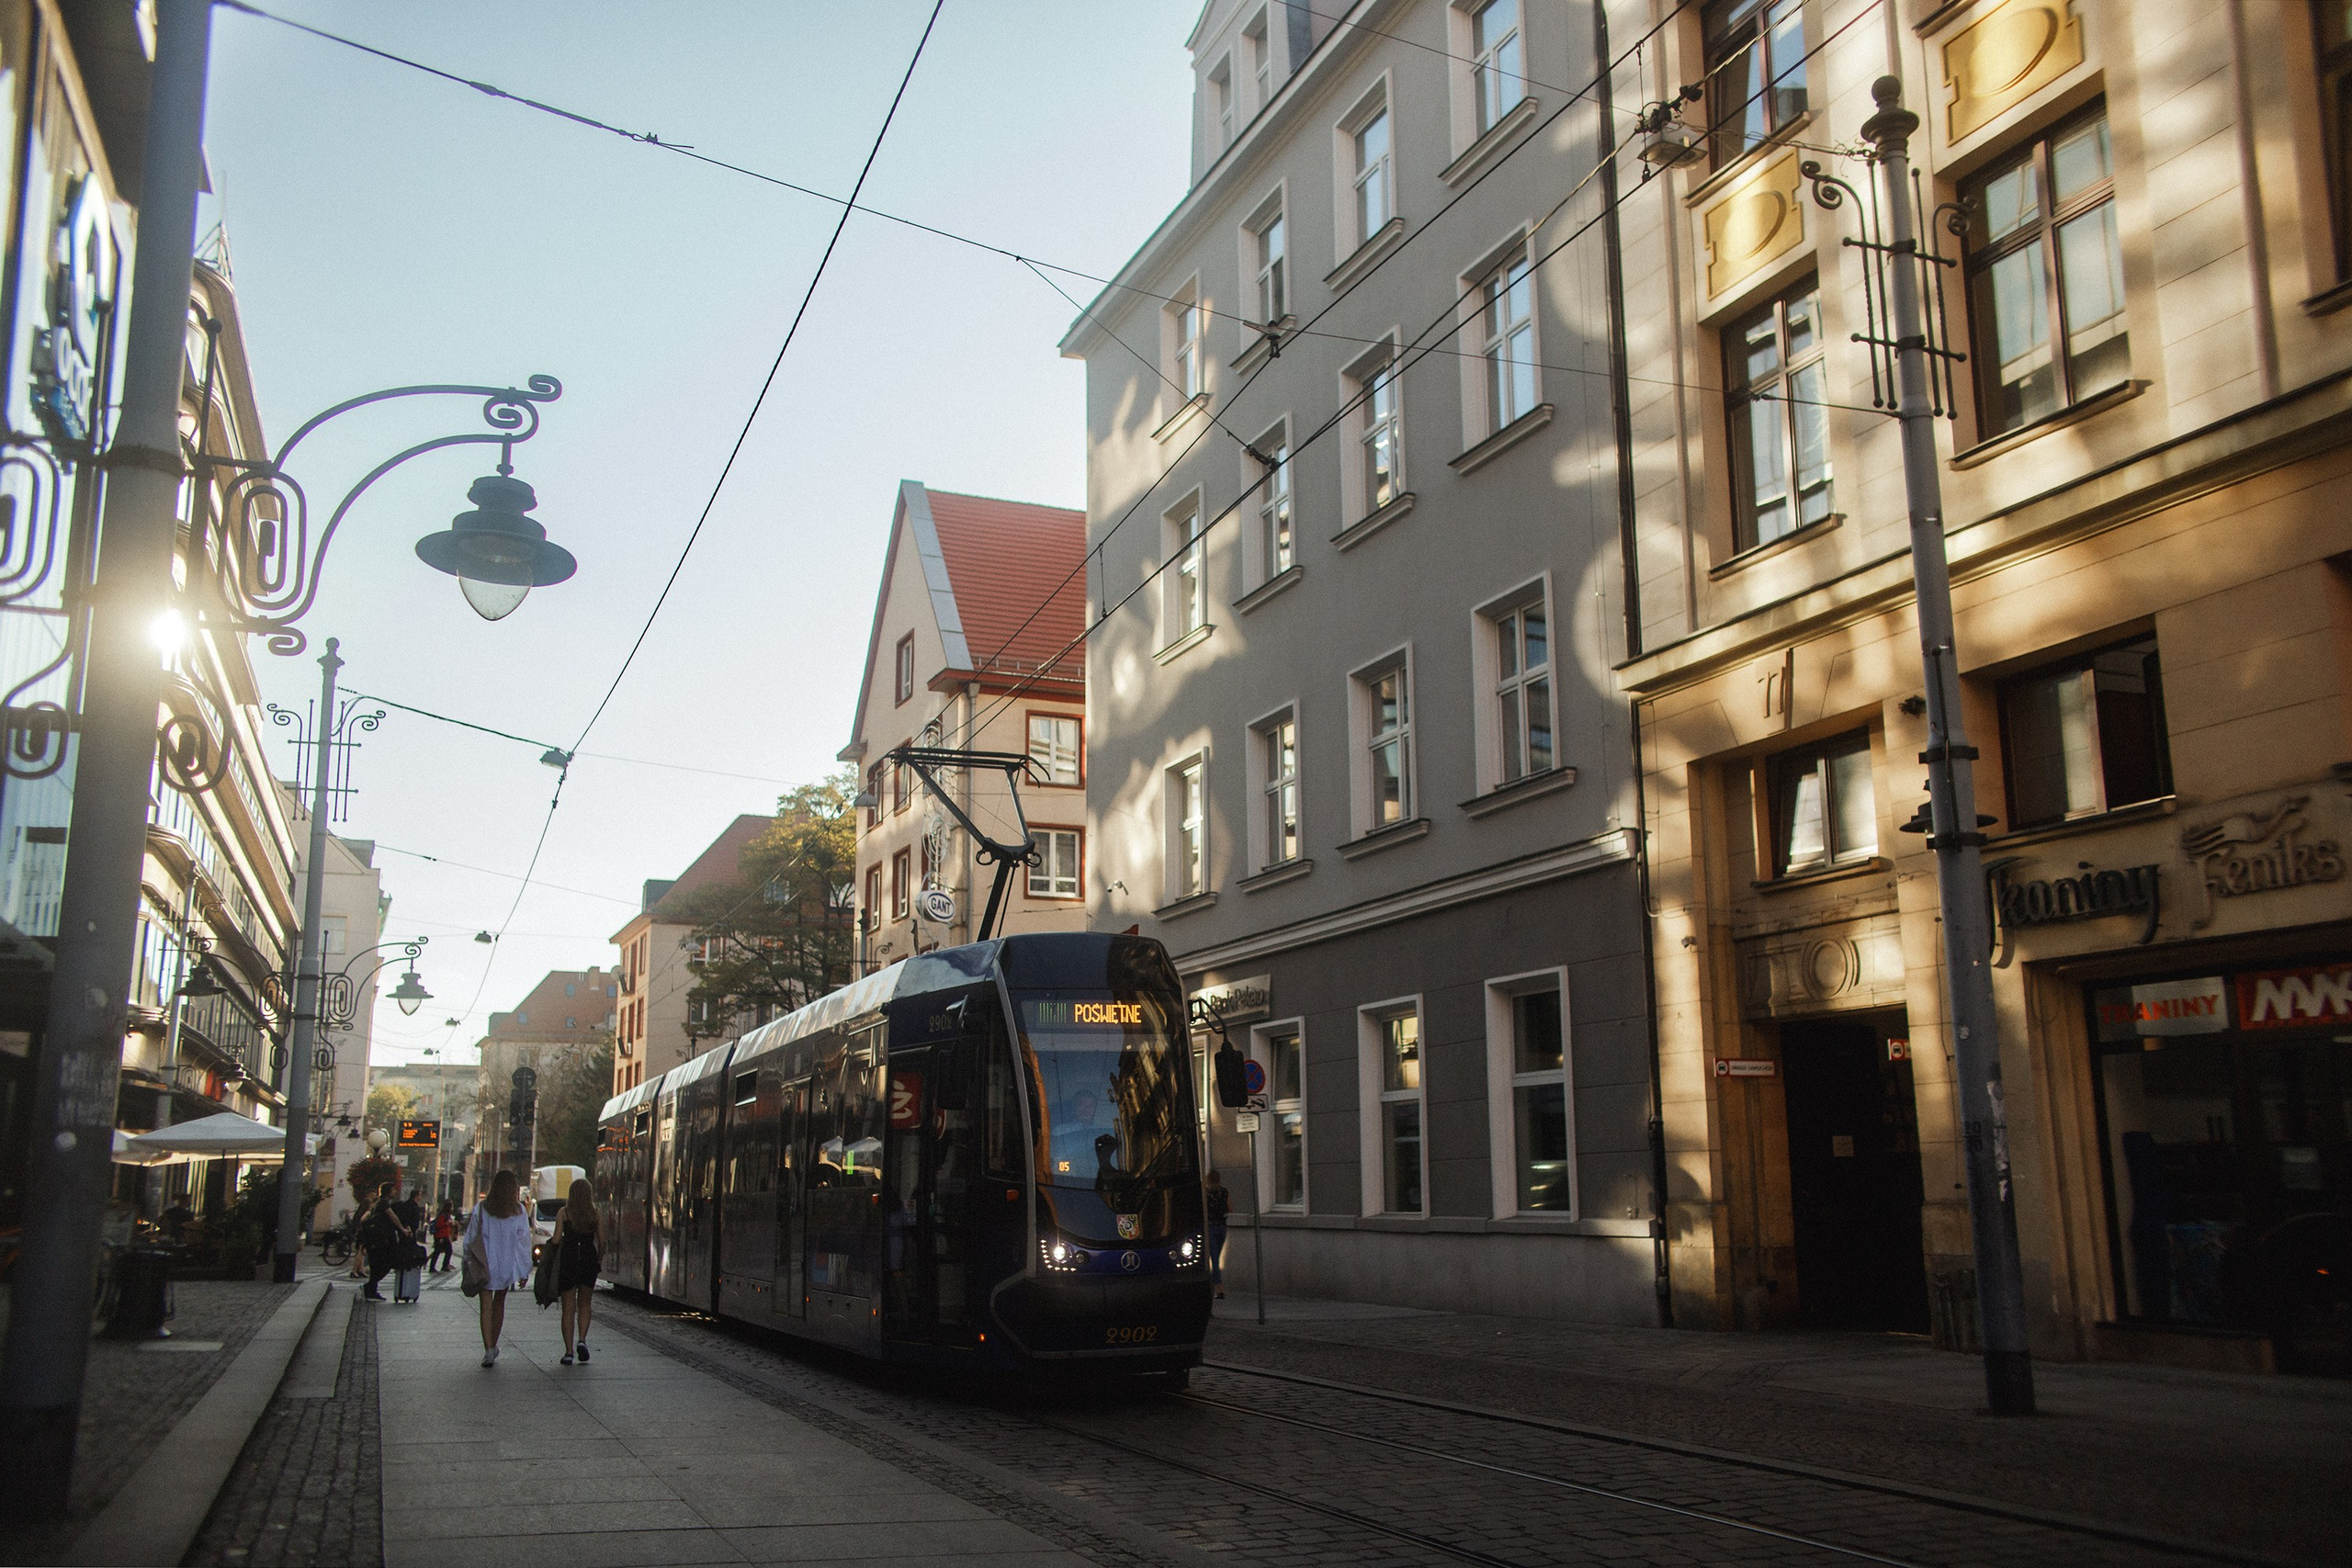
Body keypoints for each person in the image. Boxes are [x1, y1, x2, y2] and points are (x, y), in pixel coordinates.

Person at [461, 1169, 534, 1367]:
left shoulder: (482, 1208)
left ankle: (488, 1349)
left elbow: (470, 1238)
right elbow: (523, 1242)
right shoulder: (518, 1211)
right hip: (505, 1265)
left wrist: (467, 1260)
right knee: (499, 1303)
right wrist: (523, 1269)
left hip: (485, 1264)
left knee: (485, 1306)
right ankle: (494, 1343)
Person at [553, 1179, 602, 1366]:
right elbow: (603, 1240)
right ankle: (582, 1340)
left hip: (569, 1259)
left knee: (568, 1307)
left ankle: (568, 1351)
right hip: (588, 1259)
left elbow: (557, 1239)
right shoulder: (595, 1214)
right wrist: (600, 1257)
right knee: (585, 1304)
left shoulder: (564, 1213)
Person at [358, 1187, 396, 1302]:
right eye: (393, 1190)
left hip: (375, 1239)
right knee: (385, 1265)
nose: (395, 1191)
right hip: (379, 1239)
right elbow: (393, 1217)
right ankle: (370, 1288)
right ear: (388, 1192)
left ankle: (371, 1290)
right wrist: (402, 1229)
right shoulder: (384, 1203)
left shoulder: (376, 1203)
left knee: (376, 1266)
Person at [390, 1186, 426, 1303]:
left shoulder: (411, 1205)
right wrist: (407, 1227)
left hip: (409, 1231)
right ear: (416, 1196)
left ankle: (406, 1265)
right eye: (420, 1195)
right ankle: (406, 1265)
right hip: (408, 1232)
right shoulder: (410, 1205)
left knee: (408, 1250)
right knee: (407, 1250)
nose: (421, 1197)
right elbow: (406, 1218)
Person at [1204, 1168, 1230, 1300]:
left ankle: (1219, 1289)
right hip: (1222, 1227)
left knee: (1214, 1259)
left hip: (1210, 1227)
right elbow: (1230, 1208)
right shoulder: (1224, 1192)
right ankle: (1214, 1288)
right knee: (1216, 1257)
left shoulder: (1206, 1193)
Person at [428, 1201, 456, 1273]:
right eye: (452, 1207)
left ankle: (444, 1266)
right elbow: (438, 1225)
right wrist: (446, 1223)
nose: (452, 1208)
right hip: (441, 1236)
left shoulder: (447, 1216)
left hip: (444, 1236)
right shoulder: (442, 1216)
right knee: (438, 1251)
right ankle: (433, 1267)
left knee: (447, 1251)